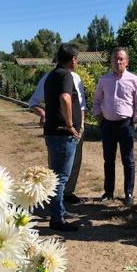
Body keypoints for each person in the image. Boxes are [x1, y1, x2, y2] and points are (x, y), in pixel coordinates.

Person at [93, 47, 137, 206]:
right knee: (108, 160)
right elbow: (96, 101)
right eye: (115, 58)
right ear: (111, 61)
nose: (118, 61)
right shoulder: (104, 79)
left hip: (126, 125)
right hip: (107, 125)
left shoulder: (134, 80)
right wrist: (100, 120)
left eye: (121, 59)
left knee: (128, 160)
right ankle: (108, 192)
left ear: (127, 62)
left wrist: (135, 122)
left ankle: (129, 193)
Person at [29, 70, 87, 204]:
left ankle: (68, 192)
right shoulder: (50, 77)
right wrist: (44, 114)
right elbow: (33, 102)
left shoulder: (77, 77)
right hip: (60, 129)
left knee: (75, 161)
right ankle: (55, 195)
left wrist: (82, 124)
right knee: (58, 165)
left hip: (78, 126)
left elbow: (81, 104)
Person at [43, 43, 82, 231]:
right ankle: (57, 219)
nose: (78, 62)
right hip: (61, 134)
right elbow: (66, 98)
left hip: (52, 132)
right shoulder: (65, 75)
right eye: (77, 58)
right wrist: (70, 125)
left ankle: (58, 210)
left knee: (56, 174)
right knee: (61, 177)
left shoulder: (52, 75)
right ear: (72, 59)